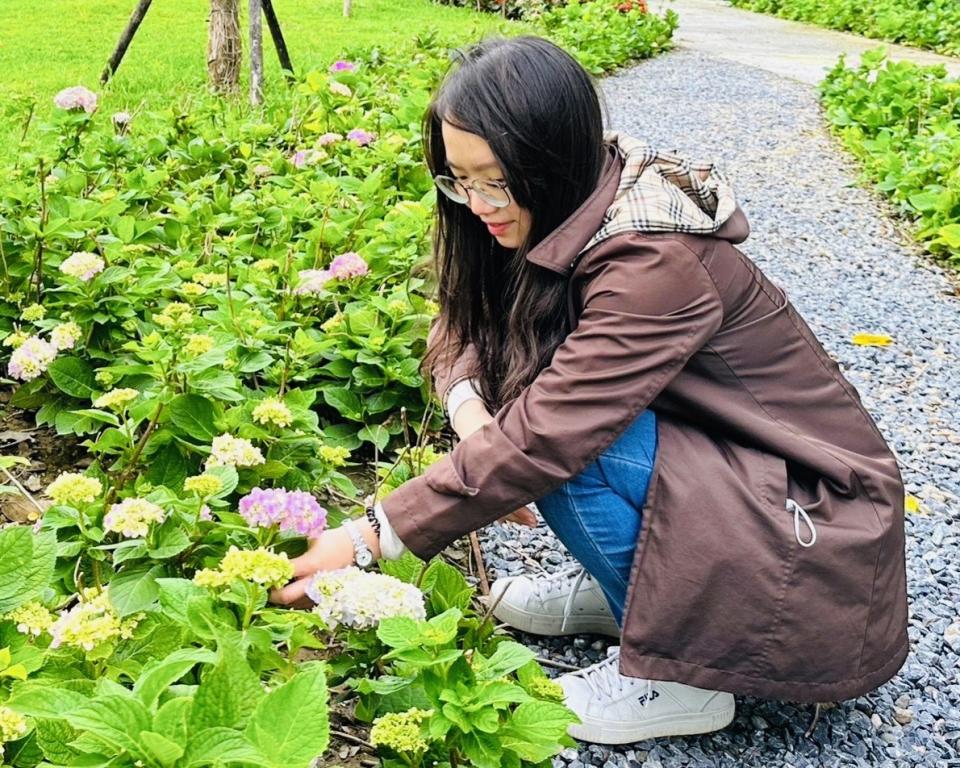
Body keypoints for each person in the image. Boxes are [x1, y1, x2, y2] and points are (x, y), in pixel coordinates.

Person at [271, 35, 909, 745]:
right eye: (459, 179)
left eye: (495, 180)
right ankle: (644, 599)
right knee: (526, 430)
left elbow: (552, 435)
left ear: (551, 159)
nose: (478, 203)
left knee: (568, 450)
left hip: (818, 526)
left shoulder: (652, 259)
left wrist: (365, 538)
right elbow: (458, 320)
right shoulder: (555, 200)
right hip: (738, 477)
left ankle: (681, 680)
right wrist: (473, 415)